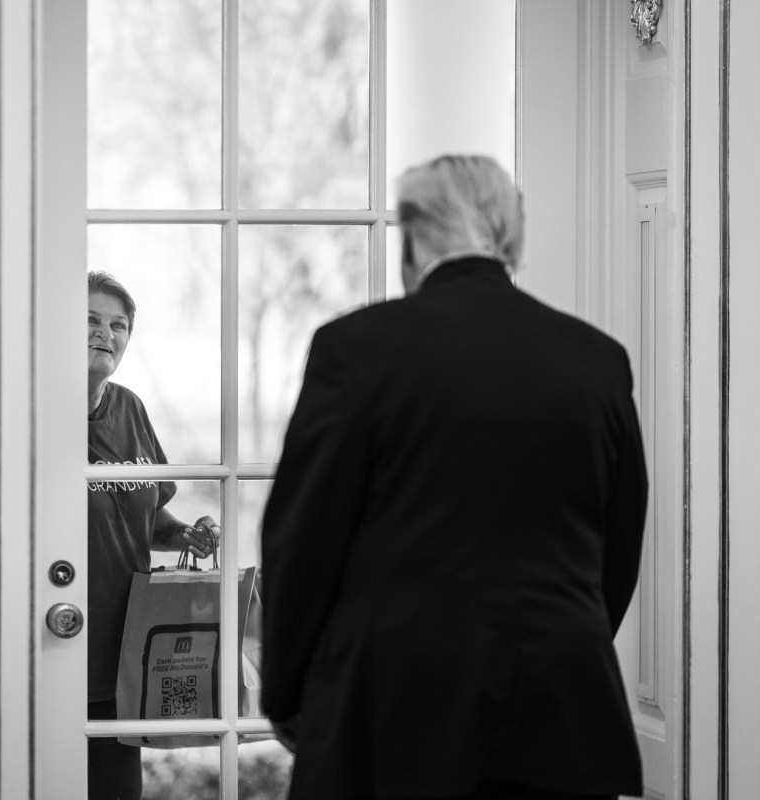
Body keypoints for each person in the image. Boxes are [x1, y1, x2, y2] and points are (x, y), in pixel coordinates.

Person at [259, 155, 648, 800]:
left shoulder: (356, 347)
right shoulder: (597, 360)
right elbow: (619, 543)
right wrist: (557, 645)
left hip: (394, 704)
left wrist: (290, 691)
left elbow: (304, 538)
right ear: (510, 237)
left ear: (411, 237)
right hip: (562, 705)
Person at [86, 270, 220, 799]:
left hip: (130, 652)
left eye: (118, 324)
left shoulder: (130, 407)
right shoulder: (37, 412)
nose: (106, 333)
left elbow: (149, 519)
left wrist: (186, 535)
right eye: (91, 319)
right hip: (60, 651)